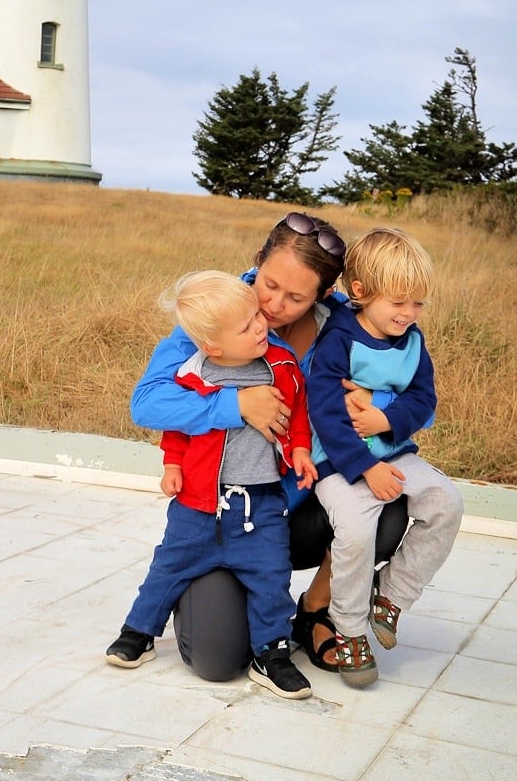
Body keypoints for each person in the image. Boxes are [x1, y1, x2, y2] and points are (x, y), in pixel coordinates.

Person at [127, 211, 408, 680]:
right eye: (269, 284)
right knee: (218, 662)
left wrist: (376, 404)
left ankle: (317, 609)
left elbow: (418, 400)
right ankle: (202, 592)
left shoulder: (347, 327)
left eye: (296, 296)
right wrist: (237, 404)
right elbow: (147, 402)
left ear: (323, 295)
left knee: (388, 504)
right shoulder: (219, 312)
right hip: (232, 518)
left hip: (305, 509)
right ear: (257, 262)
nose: (275, 304)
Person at [106, 270, 317, 700]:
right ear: (213, 345)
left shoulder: (280, 367)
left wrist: (299, 449)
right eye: (247, 326)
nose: (262, 325)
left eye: (257, 316)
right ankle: (139, 632)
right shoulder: (193, 376)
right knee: (167, 567)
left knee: (271, 577)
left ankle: (272, 654)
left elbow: (296, 412)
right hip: (197, 506)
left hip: (260, 507)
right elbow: (175, 430)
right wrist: (171, 465)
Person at [308, 226, 464, 687]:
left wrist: (385, 418)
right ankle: (350, 630)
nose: (409, 313)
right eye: (399, 302)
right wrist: (365, 465)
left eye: (418, 303)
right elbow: (325, 410)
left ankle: (392, 595)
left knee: (446, 502)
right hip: (339, 462)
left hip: (393, 448)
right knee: (355, 532)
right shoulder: (339, 338)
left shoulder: (413, 342)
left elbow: (423, 401)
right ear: (361, 292)